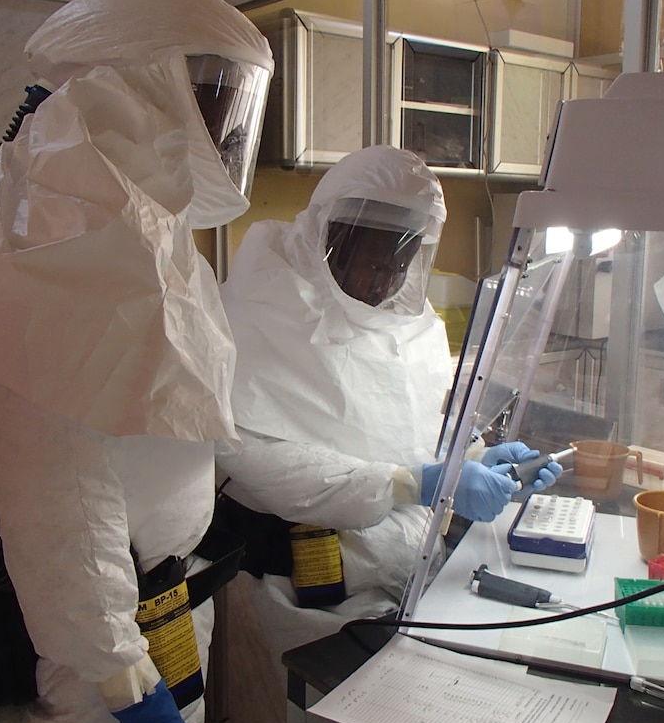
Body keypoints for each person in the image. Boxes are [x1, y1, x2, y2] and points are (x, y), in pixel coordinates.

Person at [0, 0, 273, 723]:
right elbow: (60, 515)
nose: (222, 128)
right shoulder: (37, 258)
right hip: (91, 668)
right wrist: (125, 691)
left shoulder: (142, 238)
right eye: (207, 95)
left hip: (157, 609)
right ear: (133, 88)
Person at [214, 144, 562, 687]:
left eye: (402, 265)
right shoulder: (261, 311)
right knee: (320, 714)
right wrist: (412, 483)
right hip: (306, 581)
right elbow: (246, 461)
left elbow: (416, 429)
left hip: (404, 568)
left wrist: (473, 456)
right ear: (333, 238)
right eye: (377, 263)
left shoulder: (409, 325)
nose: (387, 283)